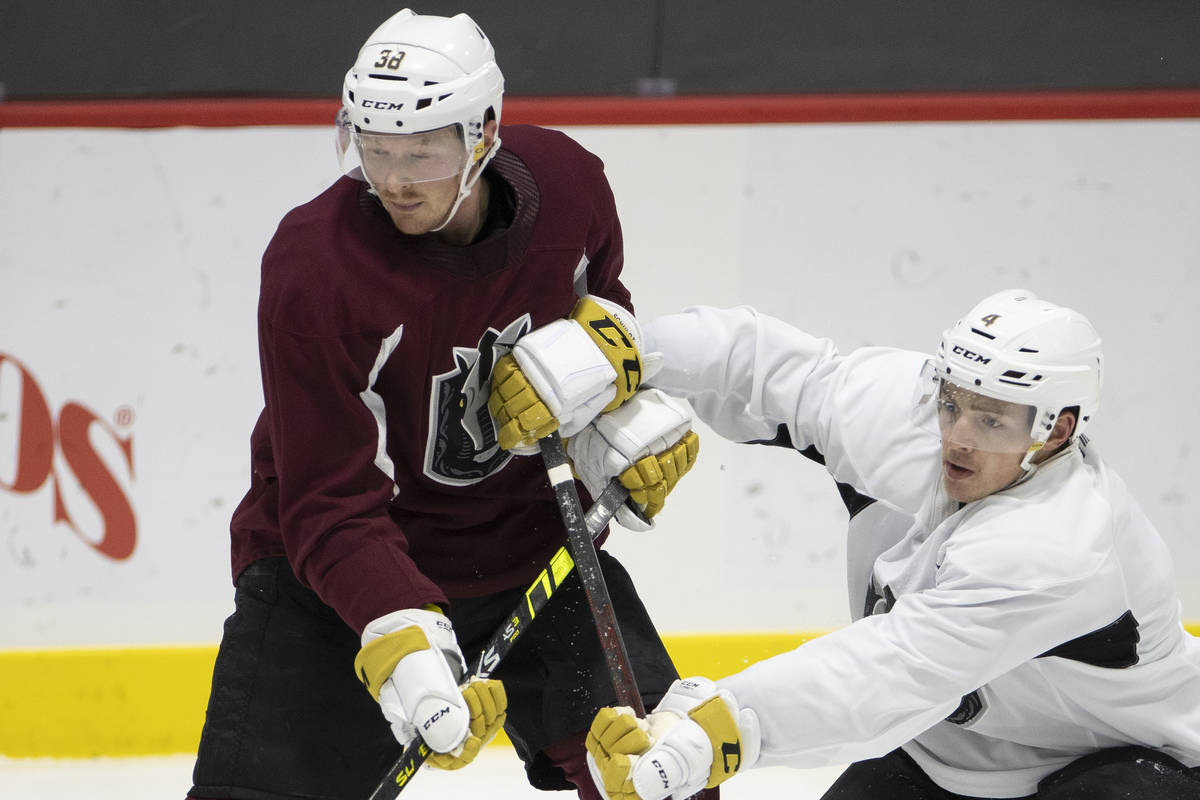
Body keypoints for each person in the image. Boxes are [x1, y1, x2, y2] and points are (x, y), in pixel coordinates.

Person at [186, 9, 704, 800]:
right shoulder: (315, 270)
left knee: (662, 771)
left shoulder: (569, 190)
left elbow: (605, 324)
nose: (393, 179)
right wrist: (401, 637)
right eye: (375, 147)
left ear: (483, 133)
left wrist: (617, 423)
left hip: (533, 550)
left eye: (422, 151)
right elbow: (326, 499)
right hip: (330, 578)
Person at [559, 290, 1200, 799]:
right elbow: (766, 368)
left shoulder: (1060, 546)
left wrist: (710, 724)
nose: (959, 438)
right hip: (947, 761)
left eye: (993, 420)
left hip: (1132, 766)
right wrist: (628, 350)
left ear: (1058, 431)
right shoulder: (911, 415)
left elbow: (892, 669)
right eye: (955, 404)